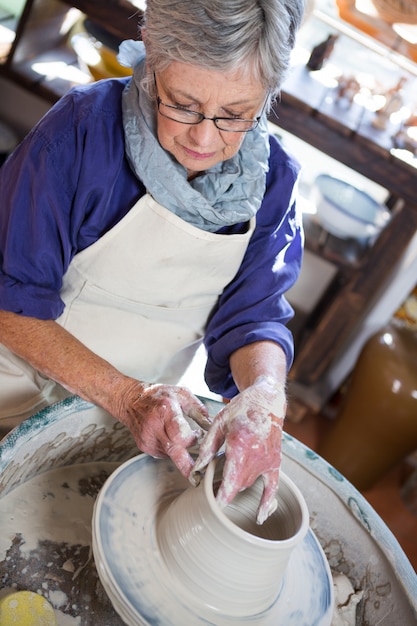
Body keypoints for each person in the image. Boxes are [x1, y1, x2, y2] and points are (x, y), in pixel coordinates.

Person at [0, 0, 304, 524]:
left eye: (235, 115)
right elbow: (9, 300)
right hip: (14, 392)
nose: (203, 139)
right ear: (153, 69)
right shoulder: (81, 131)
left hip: (132, 423)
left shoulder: (273, 182)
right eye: (182, 105)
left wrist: (264, 392)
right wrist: (128, 397)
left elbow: (253, 318)